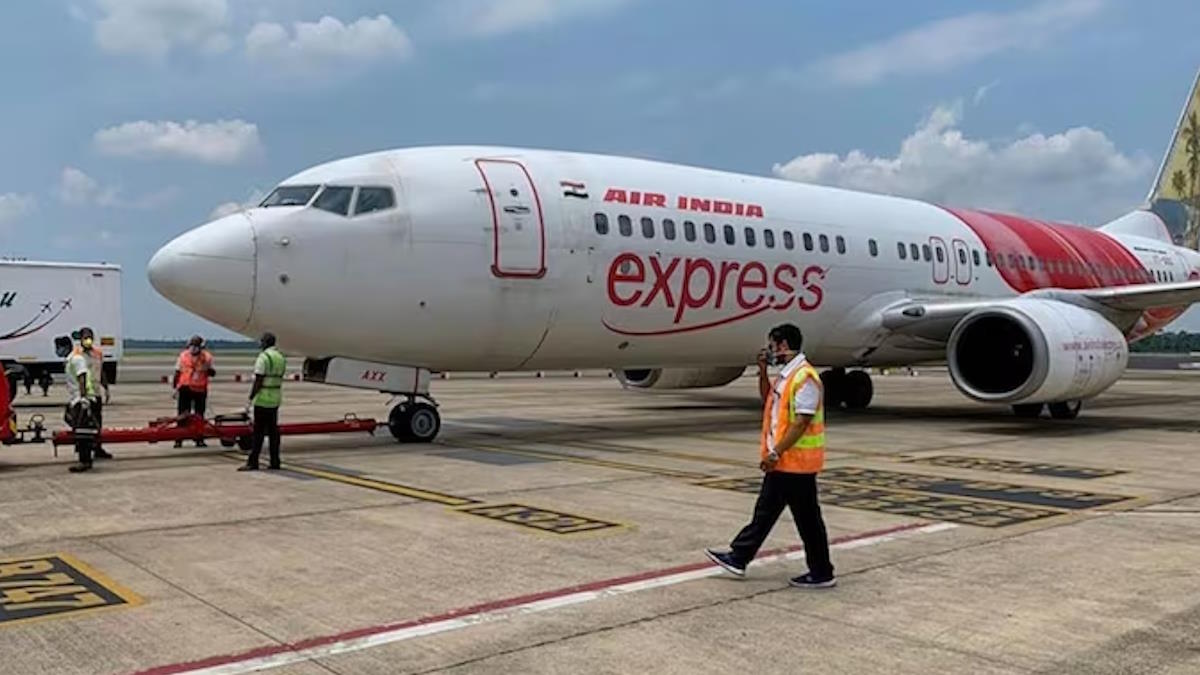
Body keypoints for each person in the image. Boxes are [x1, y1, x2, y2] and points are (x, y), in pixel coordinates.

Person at [704, 323, 836, 588]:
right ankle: (740, 557)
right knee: (770, 512)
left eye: (772, 346)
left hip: (795, 463)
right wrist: (762, 371)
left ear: (784, 345)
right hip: (786, 462)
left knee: (802, 519)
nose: (770, 351)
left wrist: (776, 452)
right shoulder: (788, 376)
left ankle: (820, 572)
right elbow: (768, 399)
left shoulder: (805, 377)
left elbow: (801, 422)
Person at [240, 332, 286, 471]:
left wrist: (250, 398)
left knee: (258, 432)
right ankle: (275, 461)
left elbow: (258, 380)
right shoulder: (280, 357)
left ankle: (253, 462)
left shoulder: (264, 357)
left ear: (265, 343)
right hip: (275, 397)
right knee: (273, 432)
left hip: (263, 399)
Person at [61, 335, 99, 473]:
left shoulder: (77, 359)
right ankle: (84, 458)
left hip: (82, 398)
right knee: (76, 426)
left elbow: (82, 377)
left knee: (83, 432)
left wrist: (84, 398)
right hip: (76, 398)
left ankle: (85, 461)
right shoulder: (71, 359)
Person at [73, 327, 113, 460]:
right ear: (80, 339)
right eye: (85, 337)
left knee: (97, 422)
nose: (88, 340)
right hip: (83, 395)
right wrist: (81, 395)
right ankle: (83, 452)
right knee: (83, 425)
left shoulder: (98, 353)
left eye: (90, 337)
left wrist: (106, 388)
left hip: (96, 393)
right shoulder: (76, 354)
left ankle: (98, 448)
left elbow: (101, 371)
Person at [173, 335, 215, 447]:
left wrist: (207, 368)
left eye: (196, 345)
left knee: (199, 415)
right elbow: (177, 372)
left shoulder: (207, 357)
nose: (194, 348)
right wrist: (175, 387)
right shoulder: (183, 356)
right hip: (185, 388)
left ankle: (198, 438)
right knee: (183, 414)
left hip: (199, 389)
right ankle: (179, 438)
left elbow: (212, 373)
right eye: (192, 345)